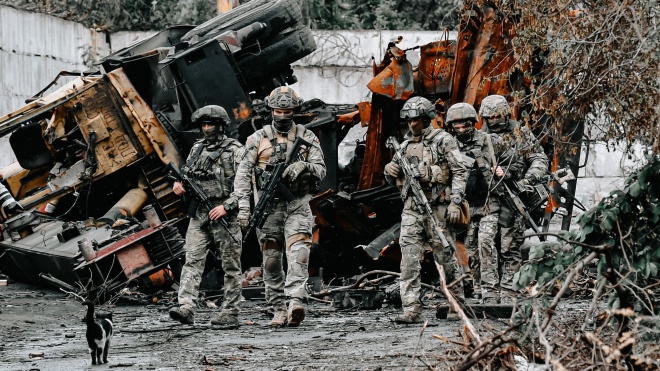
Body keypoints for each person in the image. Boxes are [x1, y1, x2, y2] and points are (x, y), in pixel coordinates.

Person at [233, 86, 326, 328]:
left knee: (299, 254)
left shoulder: (308, 137)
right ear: (270, 111)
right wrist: (244, 208)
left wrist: (304, 166)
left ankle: (296, 300)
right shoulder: (257, 139)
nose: (282, 116)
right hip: (268, 208)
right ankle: (277, 307)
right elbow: (242, 175)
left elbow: (321, 170)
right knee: (271, 261)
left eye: (287, 111)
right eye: (278, 111)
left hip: (297, 204)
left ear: (294, 111)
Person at [383, 96, 467, 324]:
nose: (412, 124)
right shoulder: (403, 146)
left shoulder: (443, 140)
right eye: (409, 120)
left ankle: (456, 303)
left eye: (417, 120)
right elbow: (396, 181)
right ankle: (411, 309)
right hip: (411, 209)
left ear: (426, 118)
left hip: (438, 206)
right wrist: (390, 171)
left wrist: (455, 202)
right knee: (409, 259)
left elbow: (460, 171)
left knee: (444, 257)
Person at [169, 105, 244, 326]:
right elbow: (186, 174)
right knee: (192, 261)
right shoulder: (197, 149)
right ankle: (186, 307)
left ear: (221, 126)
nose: (206, 128)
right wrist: (178, 185)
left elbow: (246, 186)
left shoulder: (236, 151)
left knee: (230, 266)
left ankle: (230, 312)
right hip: (199, 214)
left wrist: (227, 206)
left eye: (210, 124)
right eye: (203, 125)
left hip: (224, 215)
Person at [446, 102, 522, 304]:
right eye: (457, 127)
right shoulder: (449, 146)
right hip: (468, 207)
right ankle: (479, 288)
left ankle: (490, 292)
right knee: (471, 249)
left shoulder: (490, 141)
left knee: (486, 243)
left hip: (490, 203)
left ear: (473, 123)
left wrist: (504, 171)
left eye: (465, 126)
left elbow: (517, 163)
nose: (461, 130)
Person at [479, 95, 549, 302]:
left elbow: (538, 158)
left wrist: (528, 180)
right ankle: (488, 295)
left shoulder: (520, 134)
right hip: (488, 198)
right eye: (489, 117)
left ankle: (510, 293)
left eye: (498, 116)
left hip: (515, 195)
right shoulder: (479, 137)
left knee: (510, 246)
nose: (494, 120)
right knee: (485, 245)